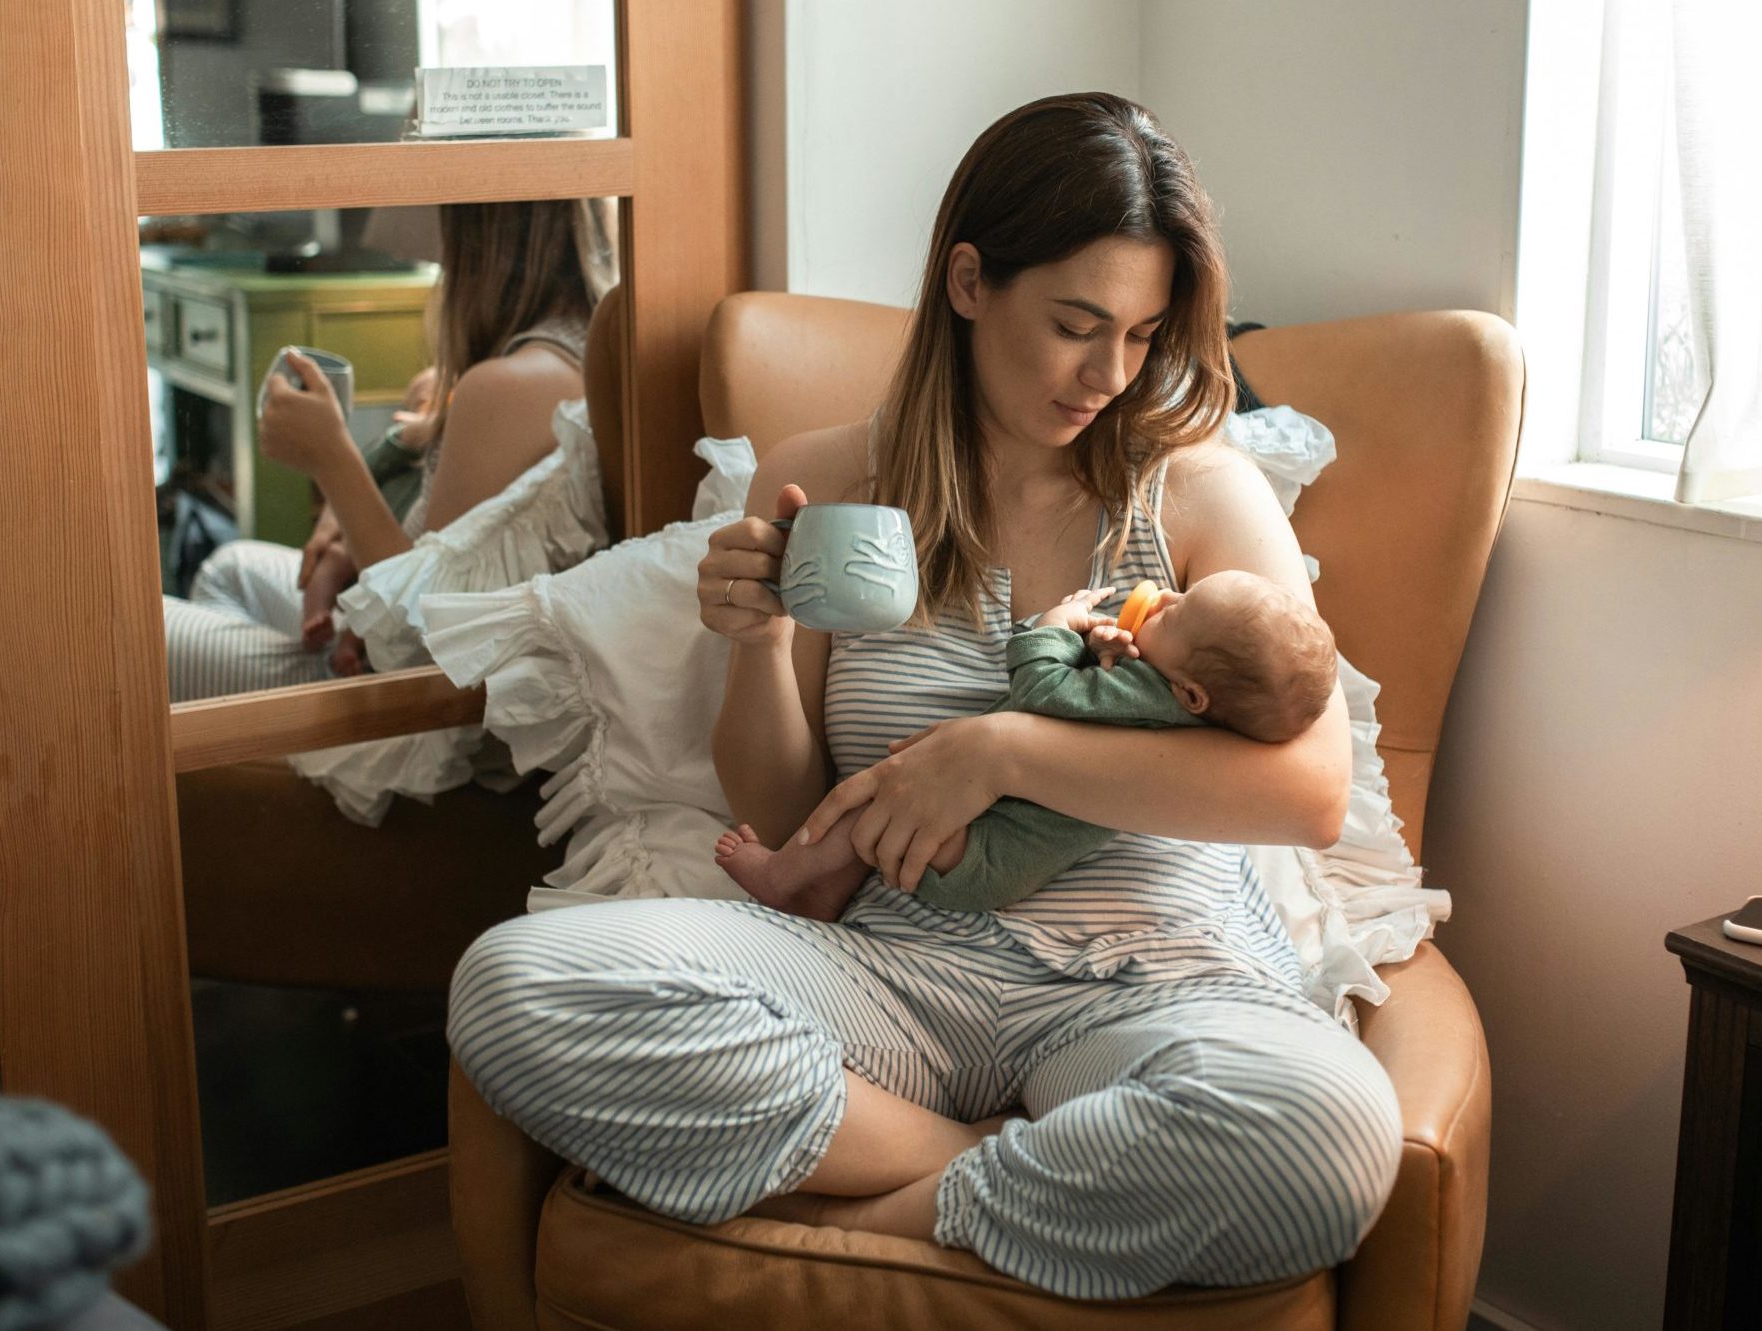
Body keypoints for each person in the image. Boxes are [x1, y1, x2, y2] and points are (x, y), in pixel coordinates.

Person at [447, 93, 1399, 1300]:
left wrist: (1001, 751)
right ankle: (983, 1170)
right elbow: (787, 806)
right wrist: (756, 633)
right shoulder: (824, 478)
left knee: (1319, 1135)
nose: (1110, 374)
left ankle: (887, 1204)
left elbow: (1308, 790)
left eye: (1142, 333)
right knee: (514, 983)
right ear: (967, 281)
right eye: (1074, 324)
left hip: (1162, 971)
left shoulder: (1202, 491)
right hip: (898, 973)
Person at [161, 198, 611, 701]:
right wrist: (345, 541)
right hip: (382, 640)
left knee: (149, 637)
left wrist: (330, 459)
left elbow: (420, 638)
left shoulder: (506, 388)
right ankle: (248, 738)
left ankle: (268, 734)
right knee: (230, 568)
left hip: (404, 698)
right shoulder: (575, 344)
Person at [713, 571, 1338, 922]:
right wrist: (1105, 654)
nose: (1164, 597)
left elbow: (1045, 692)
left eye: (1176, 614)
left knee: (876, 802)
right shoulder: (1173, 709)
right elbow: (1096, 713)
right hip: (994, 855)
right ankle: (826, 892)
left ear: (1193, 694)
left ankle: (780, 875)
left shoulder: (1148, 698)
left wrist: (1054, 629)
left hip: (987, 854)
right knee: (881, 819)